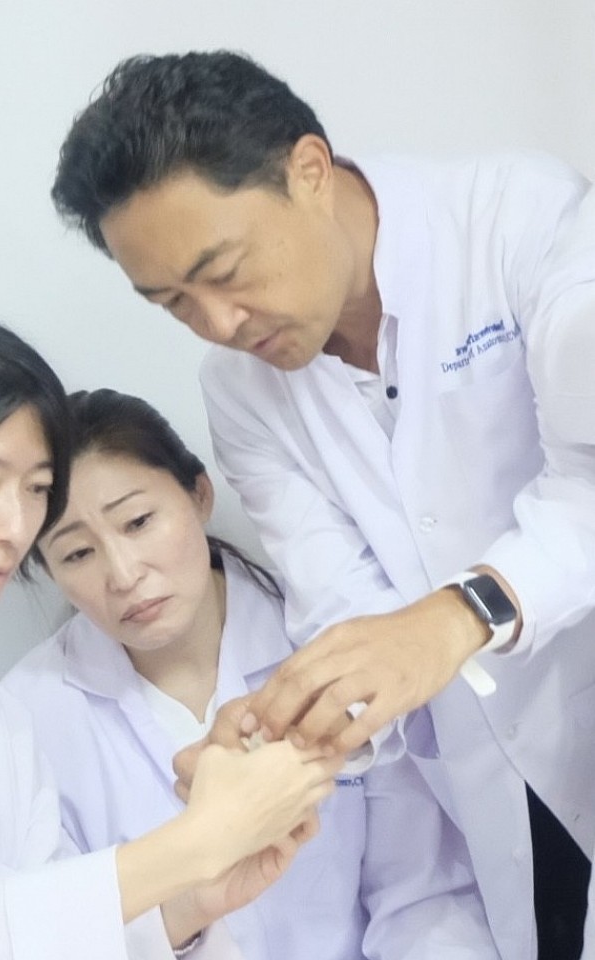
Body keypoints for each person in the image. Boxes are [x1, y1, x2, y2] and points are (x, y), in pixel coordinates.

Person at [49, 51, 595, 960]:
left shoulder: (522, 223)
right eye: (174, 302)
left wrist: (458, 615)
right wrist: (295, 729)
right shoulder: (240, 393)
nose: (219, 323)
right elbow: (351, 612)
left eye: (224, 270)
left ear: (308, 170)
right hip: (500, 797)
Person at [0, 314, 339, 960]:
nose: (15, 527)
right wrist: (196, 843)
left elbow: (48, 936)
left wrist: (188, 907)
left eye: (36, 489)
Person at [4, 387, 500, 959]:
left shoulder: (329, 642)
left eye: (138, 522)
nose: (123, 573)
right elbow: (55, 939)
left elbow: (422, 896)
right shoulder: (27, 718)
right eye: (76, 554)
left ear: (199, 494)